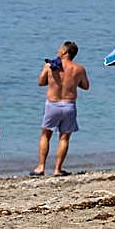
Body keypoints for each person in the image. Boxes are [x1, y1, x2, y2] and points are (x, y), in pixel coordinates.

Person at [32, 40, 90, 176]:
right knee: (64, 138)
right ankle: (57, 169)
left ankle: (41, 167)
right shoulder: (79, 69)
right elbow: (86, 86)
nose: (58, 50)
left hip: (53, 104)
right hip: (69, 105)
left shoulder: (50, 66)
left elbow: (40, 82)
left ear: (64, 51)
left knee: (45, 135)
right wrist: (73, 82)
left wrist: (52, 79)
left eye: (60, 49)